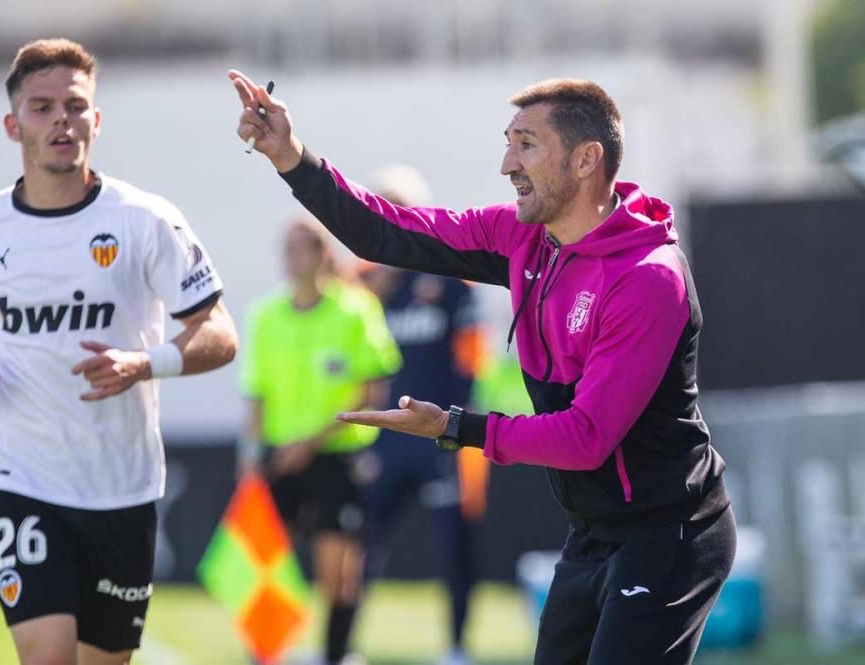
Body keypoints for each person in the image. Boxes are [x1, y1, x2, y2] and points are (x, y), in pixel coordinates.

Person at [230, 70, 737, 664]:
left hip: (669, 533)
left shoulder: (647, 277)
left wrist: (454, 427)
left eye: (526, 145)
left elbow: (585, 439)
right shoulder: (520, 236)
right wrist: (291, 156)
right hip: (592, 534)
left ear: (585, 160)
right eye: (508, 142)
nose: (506, 164)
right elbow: (387, 233)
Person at [0, 39, 238, 665]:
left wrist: (146, 362)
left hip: (121, 484)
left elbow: (220, 333)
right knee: (46, 657)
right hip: (21, 475)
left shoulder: (145, 220)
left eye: (75, 105)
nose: (61, 120)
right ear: (14, 126)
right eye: (42, 108)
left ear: (96, 120)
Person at [238, 218, 402, 665]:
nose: (292, 259)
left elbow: (372, 391)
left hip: (337, 456)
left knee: (339, 575)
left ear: (320, 254)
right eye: (286, 249)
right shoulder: (265, 315)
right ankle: (265, 653)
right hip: (279, 459)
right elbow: (255, 393)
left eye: (300, 249)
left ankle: (336, 655)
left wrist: (311, 442)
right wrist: (252, 458)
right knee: (265, 569)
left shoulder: (355, 310)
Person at [357, 165, 487, 665]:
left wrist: (462, 428)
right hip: (387, 440)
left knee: (455, 544)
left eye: (399, 206)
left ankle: (457, 647)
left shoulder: (452, 281)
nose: (391, 217)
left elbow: (472, 360)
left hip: (446, 436)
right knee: (359, 538)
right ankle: (341, 643)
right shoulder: (366, 285)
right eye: (382, 205)